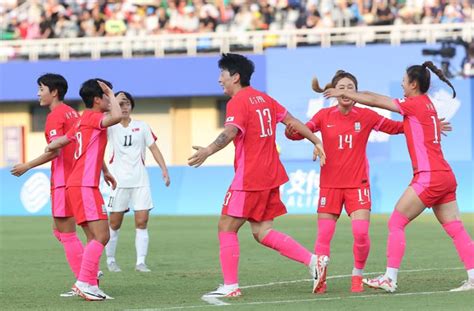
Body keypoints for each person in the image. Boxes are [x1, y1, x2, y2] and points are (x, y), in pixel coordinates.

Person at [323, 61, 474, 293]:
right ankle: (473, 277)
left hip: (429, 176)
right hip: (445, 175)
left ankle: (390, 278)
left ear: (413, 84)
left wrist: (344, 91)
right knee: (455, 228)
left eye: (404, 81)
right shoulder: (427, 106)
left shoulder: (413, 104)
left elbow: (375, 99)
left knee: (396, 221)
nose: (402, 85)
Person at [188, 53, 329, 298]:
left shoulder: (238, 101)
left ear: (235, 76)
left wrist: (208, 150)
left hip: (250, 176)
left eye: (222, 74)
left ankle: (231, 286)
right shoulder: (265, 99)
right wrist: (316, 140)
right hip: (270, 174)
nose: (219, 79)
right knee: (262, 231)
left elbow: (231, 131)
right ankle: (313, 261)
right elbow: (293, 121)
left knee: (226, 227)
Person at [285, 70, 406, 293]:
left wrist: (420, 122)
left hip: (357, 185)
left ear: (357, 92)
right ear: (333, 92)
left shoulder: (367, 116)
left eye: (351, 87)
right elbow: (303, 132)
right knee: (324, 235)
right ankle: (320, 278)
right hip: (329, 185)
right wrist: (291, 131)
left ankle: (357, 275)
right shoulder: (324, 115)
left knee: (360, 233)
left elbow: (397, 128)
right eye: (341, 87)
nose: (346, 91)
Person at [10, 73, 109, 297]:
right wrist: (104, 169)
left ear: (54, 92)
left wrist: (27, 165)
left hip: (65, 179)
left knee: (67, 233)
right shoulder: (73, 113)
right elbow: (85, 141)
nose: (38, 93)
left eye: (41, 88)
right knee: (65, 231)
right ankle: (88, 274)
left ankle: (85, 279)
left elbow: (55, 151)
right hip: (78, 177)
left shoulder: (56, 115)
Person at [45, 79, 123, 300]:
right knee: (102, 235)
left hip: (77, 184)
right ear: (98, 99)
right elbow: (117, 117)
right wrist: (111, 89)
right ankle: (83, 283)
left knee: (92, 237)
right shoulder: (95, 117)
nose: (111, 100)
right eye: (107, 96)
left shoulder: (82, 120)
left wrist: (50, 145)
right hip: (84, 185)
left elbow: (63, 140)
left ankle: (90, 284)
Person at [105, 91, 170, 273]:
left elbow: (154, 149)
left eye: (125, 103)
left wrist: (164, 169)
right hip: (118, 183)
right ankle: (110, 260)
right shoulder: (109, 126)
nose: (123, 107)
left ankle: (140, 262)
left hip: (140, 181)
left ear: (131, 106)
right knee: (114, 223)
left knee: (142, 222)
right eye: (118, 103)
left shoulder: (142, 126)